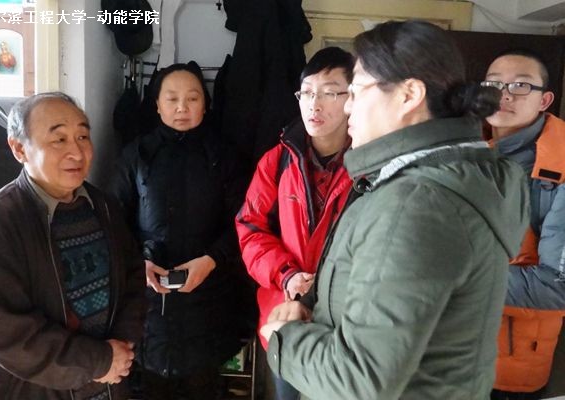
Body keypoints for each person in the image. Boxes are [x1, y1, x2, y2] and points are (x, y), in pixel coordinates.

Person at [259, 20, 530, 399]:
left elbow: (360, 379)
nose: (348, 105)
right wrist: (309, 307)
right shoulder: (434, 179)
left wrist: (286, 339)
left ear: (409, 95)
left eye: (356, 90)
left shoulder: (416, 203)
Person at [0, 92, 146, 399]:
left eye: (82, 136)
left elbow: (132, 277)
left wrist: (121, 349)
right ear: (19, 148)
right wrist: (98, 361)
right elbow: (5, 333)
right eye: (59, 139)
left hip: (107, 384)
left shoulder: (103, 206)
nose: (77, 151)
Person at [109, 62, 253, 400]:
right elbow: (113, 220)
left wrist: (212, 259)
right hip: (149, 295)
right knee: (151, 385)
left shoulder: (226, 157)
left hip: (211, 292)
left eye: (192, 98)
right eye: (172, 99)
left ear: (205, 104)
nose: (182, 107)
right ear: (157, 105)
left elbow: (246, 221)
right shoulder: (136, 154)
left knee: (203, 384)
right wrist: (139, 262)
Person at [235, 46, 354, 400]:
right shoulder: (277, 161)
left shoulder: (368, 165)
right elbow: (250, 229)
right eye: (307, 92)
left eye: (330, 92)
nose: (315, 104)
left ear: (353, 98)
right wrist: (287, 275)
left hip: (346, 320)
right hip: (284, 315)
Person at [482, 49, 565, 400]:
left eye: (520, 85)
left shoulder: (558, 169)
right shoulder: (467, 149)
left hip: (511, 364)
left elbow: (558, 284)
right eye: (493, 84)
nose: (504, 95)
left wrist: (456, 279)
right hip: (447, 351)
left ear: (544, 100)